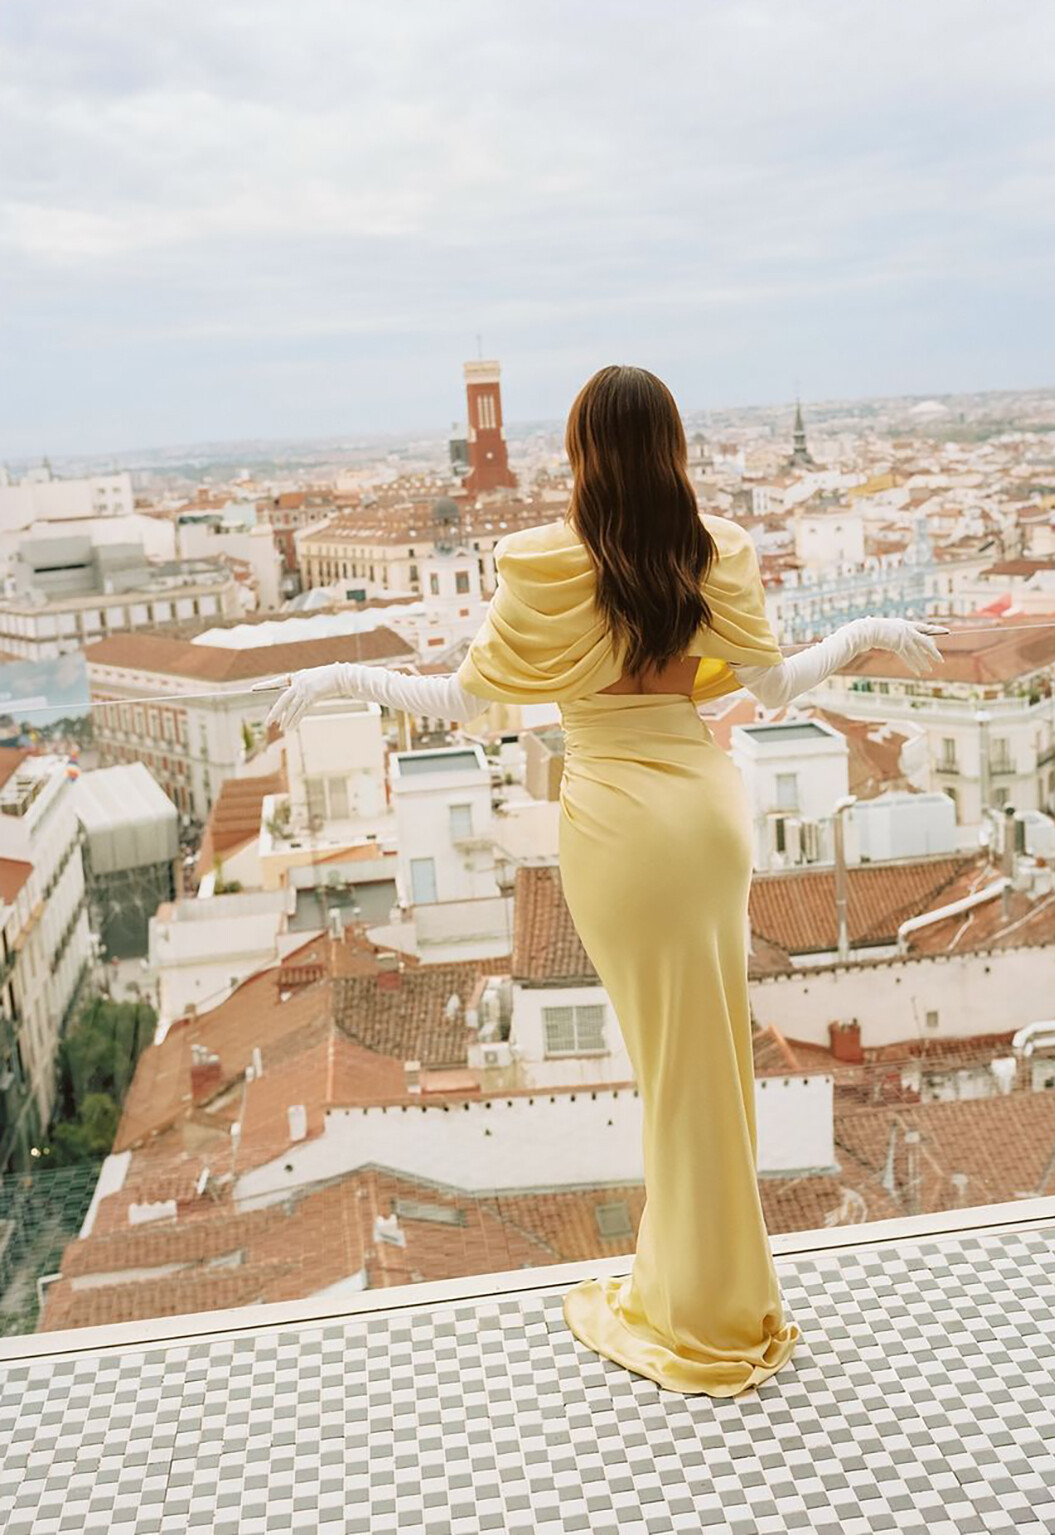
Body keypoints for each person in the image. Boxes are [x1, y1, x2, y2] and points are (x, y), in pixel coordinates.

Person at [264, 364, 946, 1398]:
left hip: (617, 829)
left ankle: (700, 1309)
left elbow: (460, 701)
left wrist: (339, 680)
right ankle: (711, 1291)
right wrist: (867, 633)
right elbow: (774, 686)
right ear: (672, 447)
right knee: (710, 1059)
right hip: (707, 817)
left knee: (671, 1072)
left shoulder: (548, 567)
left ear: (580, 451)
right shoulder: (710, 554)